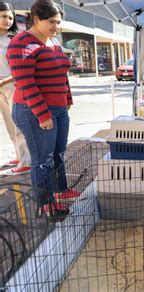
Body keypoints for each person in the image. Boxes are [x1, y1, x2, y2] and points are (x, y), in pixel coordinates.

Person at [7, 0, 81, 221]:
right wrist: (43, 114)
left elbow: (62, 74)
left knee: (58, 153)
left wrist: (67, 98)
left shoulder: (53, 42)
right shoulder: (21, 43)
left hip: (58, 108)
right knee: (43, 160)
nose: (56, 26)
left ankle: (61, 189)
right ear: (36, 19)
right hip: (33, 110)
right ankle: (46, 203)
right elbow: (25, 82)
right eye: (51, 22)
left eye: (58, 22)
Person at [0, 1, 31, 175]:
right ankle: (20, 155)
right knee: (9, 124)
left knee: (19, 122)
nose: (7, 20)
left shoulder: (15, 39)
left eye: (10, 17)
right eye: (3, 16)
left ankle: (26, 161)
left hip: (13, 84)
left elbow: (21, 66)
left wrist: (5, 82)